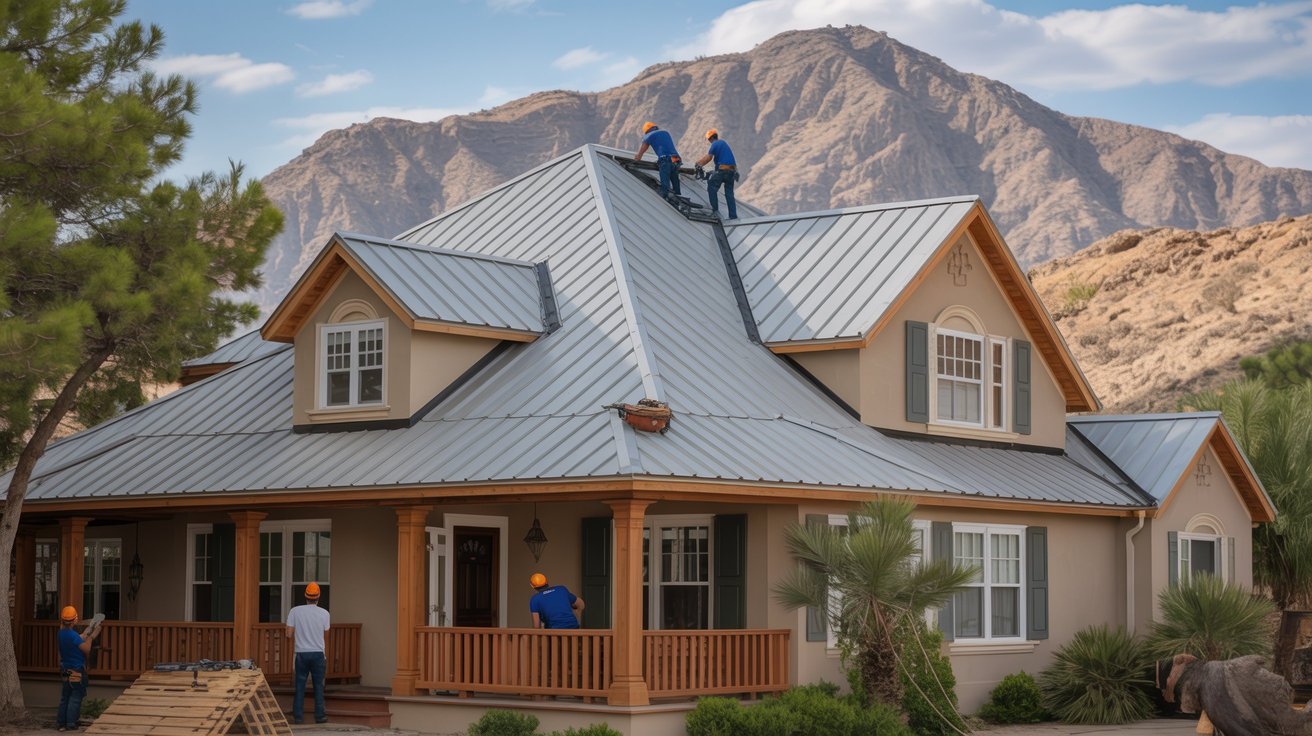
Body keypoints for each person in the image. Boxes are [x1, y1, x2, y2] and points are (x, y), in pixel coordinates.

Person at [286, 581, 331, 725]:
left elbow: (288, 634)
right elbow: (326, 636)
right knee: (318, 686)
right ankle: (320, 716)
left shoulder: (295, 611)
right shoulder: (325, 613)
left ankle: (298, 717)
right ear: (318, 597)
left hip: (301, 653)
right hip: (318, 653)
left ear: (305, 596)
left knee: (300, 685)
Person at [56, 605, 100, 732]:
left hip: (65, 669)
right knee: (75, 697)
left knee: (65, 696)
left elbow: (78, 638)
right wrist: (92, 637)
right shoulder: (72, 635)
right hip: (76, 670)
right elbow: (86, 649)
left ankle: (61, 723)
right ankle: (71, 723)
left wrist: (88, 630)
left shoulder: (61, 633)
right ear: (75, 620)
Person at [633, 122, 682, 201]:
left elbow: (644, 146)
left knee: (665, 178)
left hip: (665, 159)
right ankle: (678, 195)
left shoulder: (649, 135)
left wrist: (639, 156)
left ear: (647, 131)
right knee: (674, 177)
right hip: (676, 159)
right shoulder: (665, 132)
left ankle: (665, 195)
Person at [695, 129, 738, 220]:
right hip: (732, 171)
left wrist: (699, 164)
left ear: (710, 138)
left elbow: (709, 157)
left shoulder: (715, 144)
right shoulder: (723, 143)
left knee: (711, 187)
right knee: (729, 193)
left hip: (722, 170)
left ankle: (715, 212)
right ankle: (733, 216)